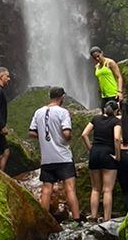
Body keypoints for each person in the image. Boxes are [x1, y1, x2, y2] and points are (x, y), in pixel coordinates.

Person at [29, 87, 81, 221]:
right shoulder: (63, 112)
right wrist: (67, 138)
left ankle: (43, 220)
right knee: (69, 189)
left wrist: (44, 135)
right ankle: (76, 220)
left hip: (47, 159)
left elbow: (32, 132)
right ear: (62, 97)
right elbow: (66, 133)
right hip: (63, 157)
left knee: (46, 190)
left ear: (50, 96)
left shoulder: (38, 112)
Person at [83, 98, 122, 222]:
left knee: (95, 188)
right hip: (108, 155)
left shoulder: (96, 119)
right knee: (107, 190)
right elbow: (116, 139)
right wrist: (117, 156)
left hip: (95, 154)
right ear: (117, 110)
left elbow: (84, 134)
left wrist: (91, 149)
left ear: (104, 109)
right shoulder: (116, 121)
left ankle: (93, 217)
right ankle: (106, 219)